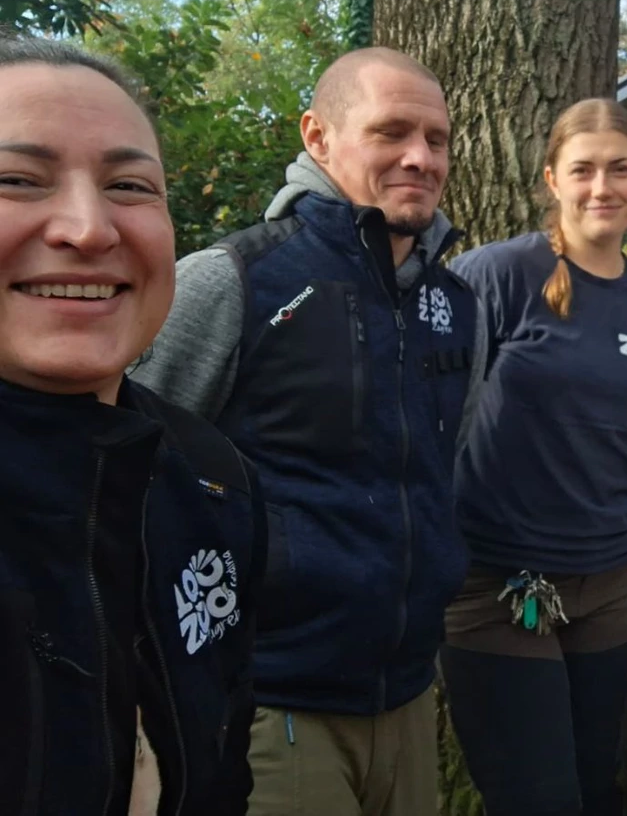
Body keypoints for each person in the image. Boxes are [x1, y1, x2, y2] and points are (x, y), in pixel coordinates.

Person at [131, 47, 479, 816]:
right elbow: (126, 476)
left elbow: (439, 472)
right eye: (391, 132)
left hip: (409, 695)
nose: (421, 157)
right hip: (272, 703)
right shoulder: (235, 280)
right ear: (318, 137)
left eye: (437, 138)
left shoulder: (457, 305)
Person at [0, 37, 265, 815]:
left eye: (128, 185)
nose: (88, 229)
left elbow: (224, 747)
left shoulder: (210, 476)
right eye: (16, 180)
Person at [440, 98, 627, 816]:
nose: (602, 187)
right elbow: (425, 408)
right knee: (537, 799)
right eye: (583, 170)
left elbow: (626, 423)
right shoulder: (497, 274)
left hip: (616, 581)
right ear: (552, 179)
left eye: (620, 169)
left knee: (604, 785)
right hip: (505, 583)